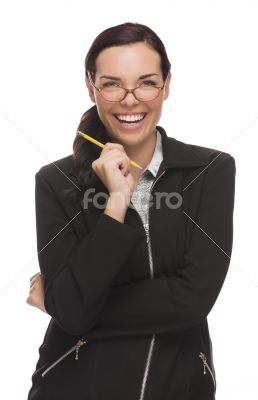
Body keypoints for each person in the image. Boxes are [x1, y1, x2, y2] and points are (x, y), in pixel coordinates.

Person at [26, 22, 236, 400]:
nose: (130, 99)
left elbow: (193, 300)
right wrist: (117, 202)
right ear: (91, 87)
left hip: (179, 386)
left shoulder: (211, 171)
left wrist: (65, 306)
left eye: (146, 82)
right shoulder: (54, 181)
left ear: (166, 85)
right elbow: (72, 308)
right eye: (111, 84)